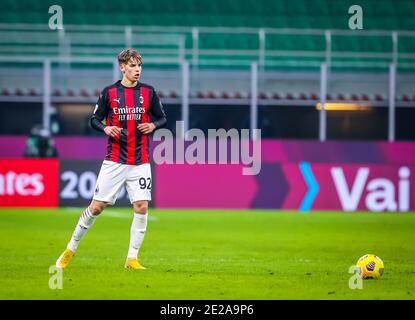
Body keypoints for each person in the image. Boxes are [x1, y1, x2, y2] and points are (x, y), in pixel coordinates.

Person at [56, 48, 167, 270]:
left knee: (141, 206)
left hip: (140, 159)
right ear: (122, 67)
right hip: (115, 160)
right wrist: (106, 129)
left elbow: (162, 117)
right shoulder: (109, 93)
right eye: (133, 66)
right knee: (97, 207)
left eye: (139, 66)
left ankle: (132, 258)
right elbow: (94, 120)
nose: (137, 70)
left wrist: (153, 125)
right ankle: (70, 249)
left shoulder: (149, 92)